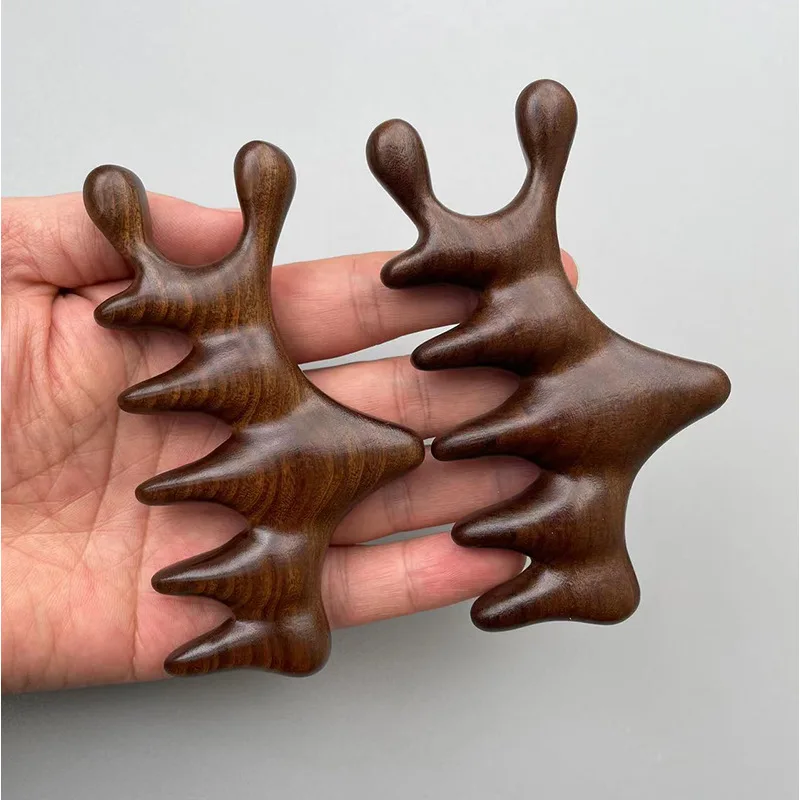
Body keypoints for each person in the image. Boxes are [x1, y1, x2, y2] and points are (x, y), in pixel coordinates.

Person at [1, 191, 577, 692]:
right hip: (301, 437)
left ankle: (282, 624)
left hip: (302, 437)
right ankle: (282, 624)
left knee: (275, 517)